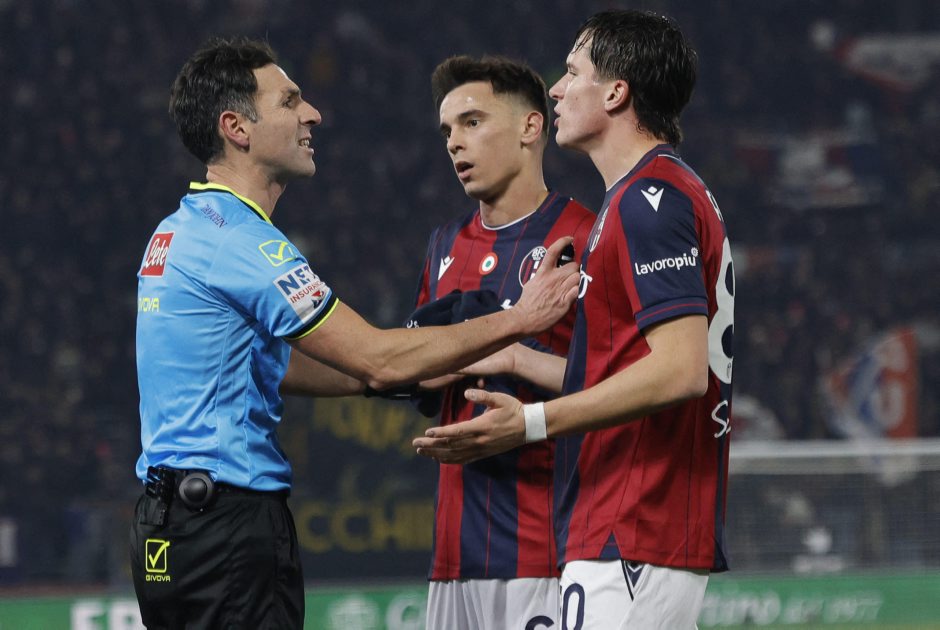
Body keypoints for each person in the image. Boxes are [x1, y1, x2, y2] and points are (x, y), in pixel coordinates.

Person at [130, 36, 579, 629]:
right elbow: (378, 357)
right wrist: (519, 319)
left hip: (167, 524)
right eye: (289, 101)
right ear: (236, 128)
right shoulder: (242, 241)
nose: (312, 114)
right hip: (226, 523)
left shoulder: (181, 229)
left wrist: (383, 381)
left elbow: (270, 364)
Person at [414, 10, 735, 630]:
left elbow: (680, 371)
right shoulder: (644, 196)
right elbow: (627, 366)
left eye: (572, 72)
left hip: (635, 521)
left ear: (616, 93)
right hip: (619, 525)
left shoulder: (649, 201)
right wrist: (515, 355)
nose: (557, 89)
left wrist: (529, 422)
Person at [413, 55, 594, 630]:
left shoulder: (587, 234)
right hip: (452, 556)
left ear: (530, 127)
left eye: (472, 122)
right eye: (447, 130)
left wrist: (516, 358)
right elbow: (417, 372)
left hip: (547, 546)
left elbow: (621, 381)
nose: (454, 142)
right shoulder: (444, 243)